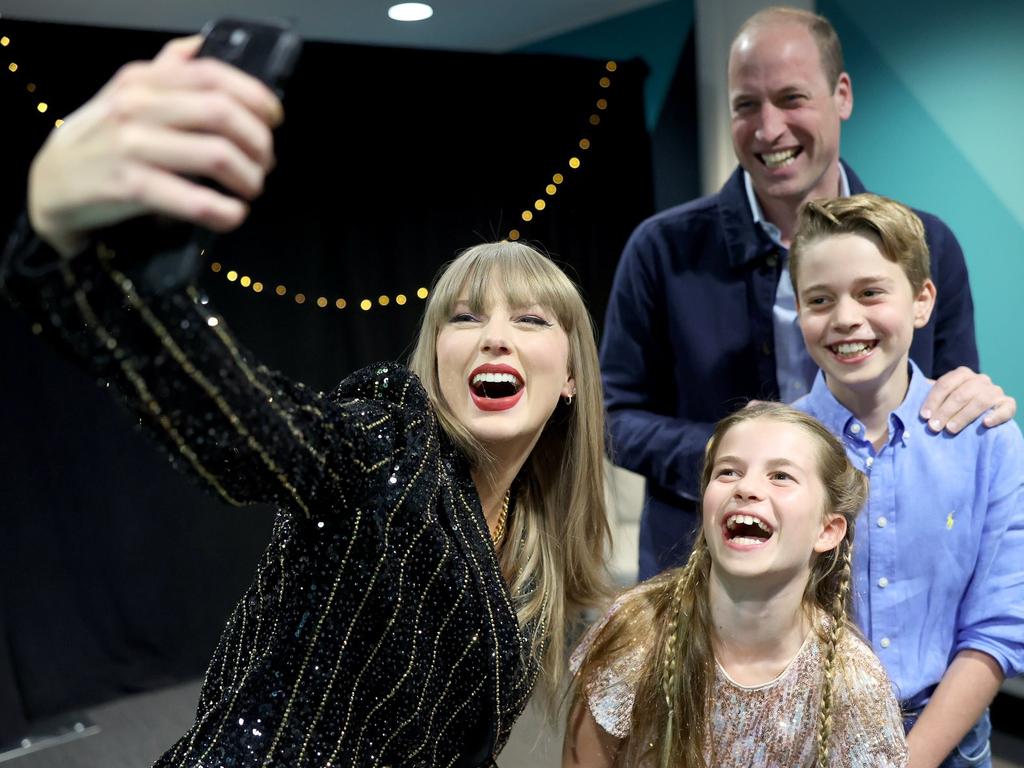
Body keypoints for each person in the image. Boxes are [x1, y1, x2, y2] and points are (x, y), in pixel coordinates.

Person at [1, 36, 612, 767]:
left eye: (531, 320)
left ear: (572, 376)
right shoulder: (390, 441)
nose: (494, 340)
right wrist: (68, 246)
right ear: (436, 354)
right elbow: (250, 427)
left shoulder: (532, 542)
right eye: (466, 316)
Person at [600, 5, 1017, 580]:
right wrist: (729, 454)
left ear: (841, 95)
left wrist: (977, 399)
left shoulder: (930, 244)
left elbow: (949, 400)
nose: (769, 129)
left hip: (887, 573)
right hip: (704, 573)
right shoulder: (660, 249)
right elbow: (610, 416)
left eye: (791, 99)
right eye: (746, 105)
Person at [789, 194, 1024, 768]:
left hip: (950, 744)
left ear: (922, 302)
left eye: (871, 292)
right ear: (798, 311)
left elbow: (999, 624)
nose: (845, 317)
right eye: (819, 299)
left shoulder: (988, 441)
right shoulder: (774, 445)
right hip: (806, 742)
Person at [563, 403, 908, 768]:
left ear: (827, 530)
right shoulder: (640, 630)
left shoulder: (853, 683)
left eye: (781, 476)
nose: (746, 487)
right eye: (728, 471)